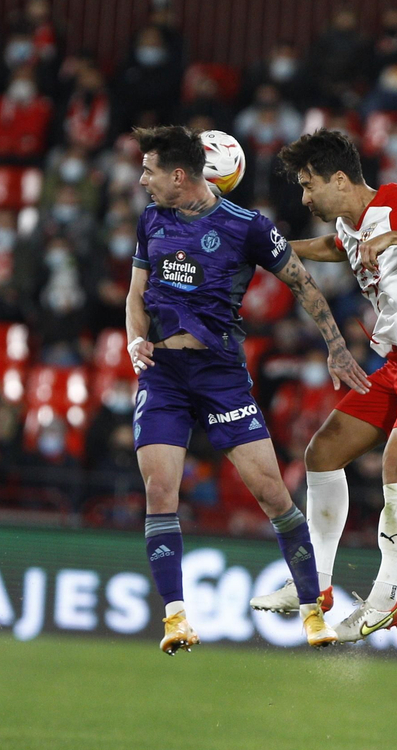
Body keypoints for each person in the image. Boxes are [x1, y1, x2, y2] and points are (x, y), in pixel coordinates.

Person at [127, 126, 367, 653]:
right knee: (160, 492)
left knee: (272, 493)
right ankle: (175, 619)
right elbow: (136, 292)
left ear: (179, 175)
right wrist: (134, 341)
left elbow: (303, 281)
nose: (142, 180)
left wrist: (336, 347)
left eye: (149, 171)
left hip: (221, 375)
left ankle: (312, 613)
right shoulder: (151, 220)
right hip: (164, 374)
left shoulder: (246, 227)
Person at [259, 129, 397, 642]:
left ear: (340, 179)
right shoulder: (348, 224)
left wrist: (394, 236)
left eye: (309, 186)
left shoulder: (396, 204)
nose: (305, 197)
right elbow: (336, 247)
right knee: (323, 452)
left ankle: (385, 599)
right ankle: (317, 586)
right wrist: (269, 249)